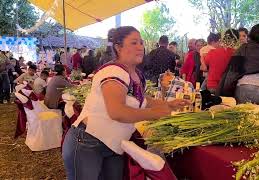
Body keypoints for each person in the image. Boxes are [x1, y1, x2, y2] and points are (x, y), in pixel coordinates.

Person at [62, 26, 189, 180]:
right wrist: (155, 114)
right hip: (87, 143)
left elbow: (143, 100)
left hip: (114, 145)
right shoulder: (113, 71)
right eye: (134, 43)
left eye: (141, 43)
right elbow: (117, 111)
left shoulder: (136, 75)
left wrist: (168, 105)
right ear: (118, 47)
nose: (140, 47)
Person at [204, 29, 239, 93]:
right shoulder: (236, 54)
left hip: (212, 86)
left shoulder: (212, 52)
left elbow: (204, 66)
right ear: (236, 40)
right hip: (228, 88)